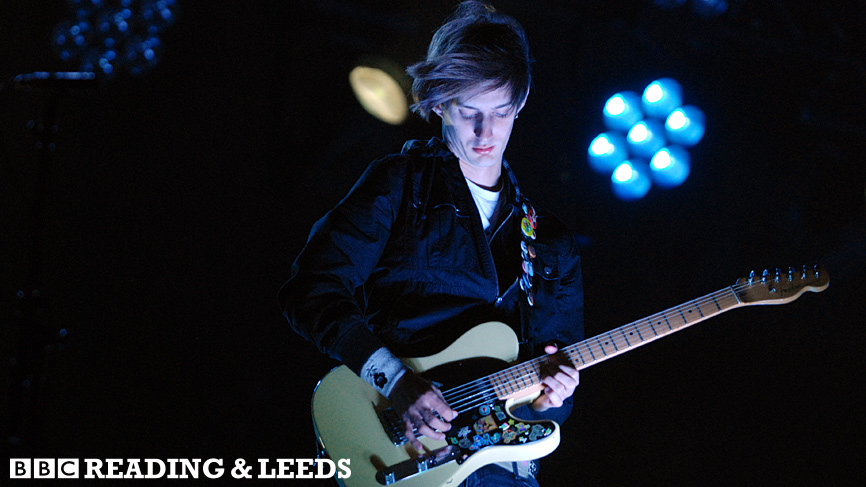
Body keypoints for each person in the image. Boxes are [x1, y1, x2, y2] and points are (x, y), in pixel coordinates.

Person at [279, 1, 584, 485]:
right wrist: (396, 381)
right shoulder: (401, 185)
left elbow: (553, 396)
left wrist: (555, 395)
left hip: (503, 471)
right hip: (403, 451)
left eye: (501, 112)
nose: (485, 133)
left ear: (521, 104)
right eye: (469, 113)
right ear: (439, 103)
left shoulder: (551, 243)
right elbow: (310, 290)